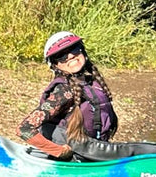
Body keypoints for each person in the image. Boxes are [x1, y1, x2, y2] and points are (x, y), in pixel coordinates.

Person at [18, 31, 120, 159]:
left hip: (92, 153)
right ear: (55, 65)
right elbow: (24, 128)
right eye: (61, 55)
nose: (70, 56)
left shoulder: (92, 83)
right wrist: (58, 151)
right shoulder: (64, 92)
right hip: (71, 159)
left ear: (83, 51)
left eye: (74, 49)